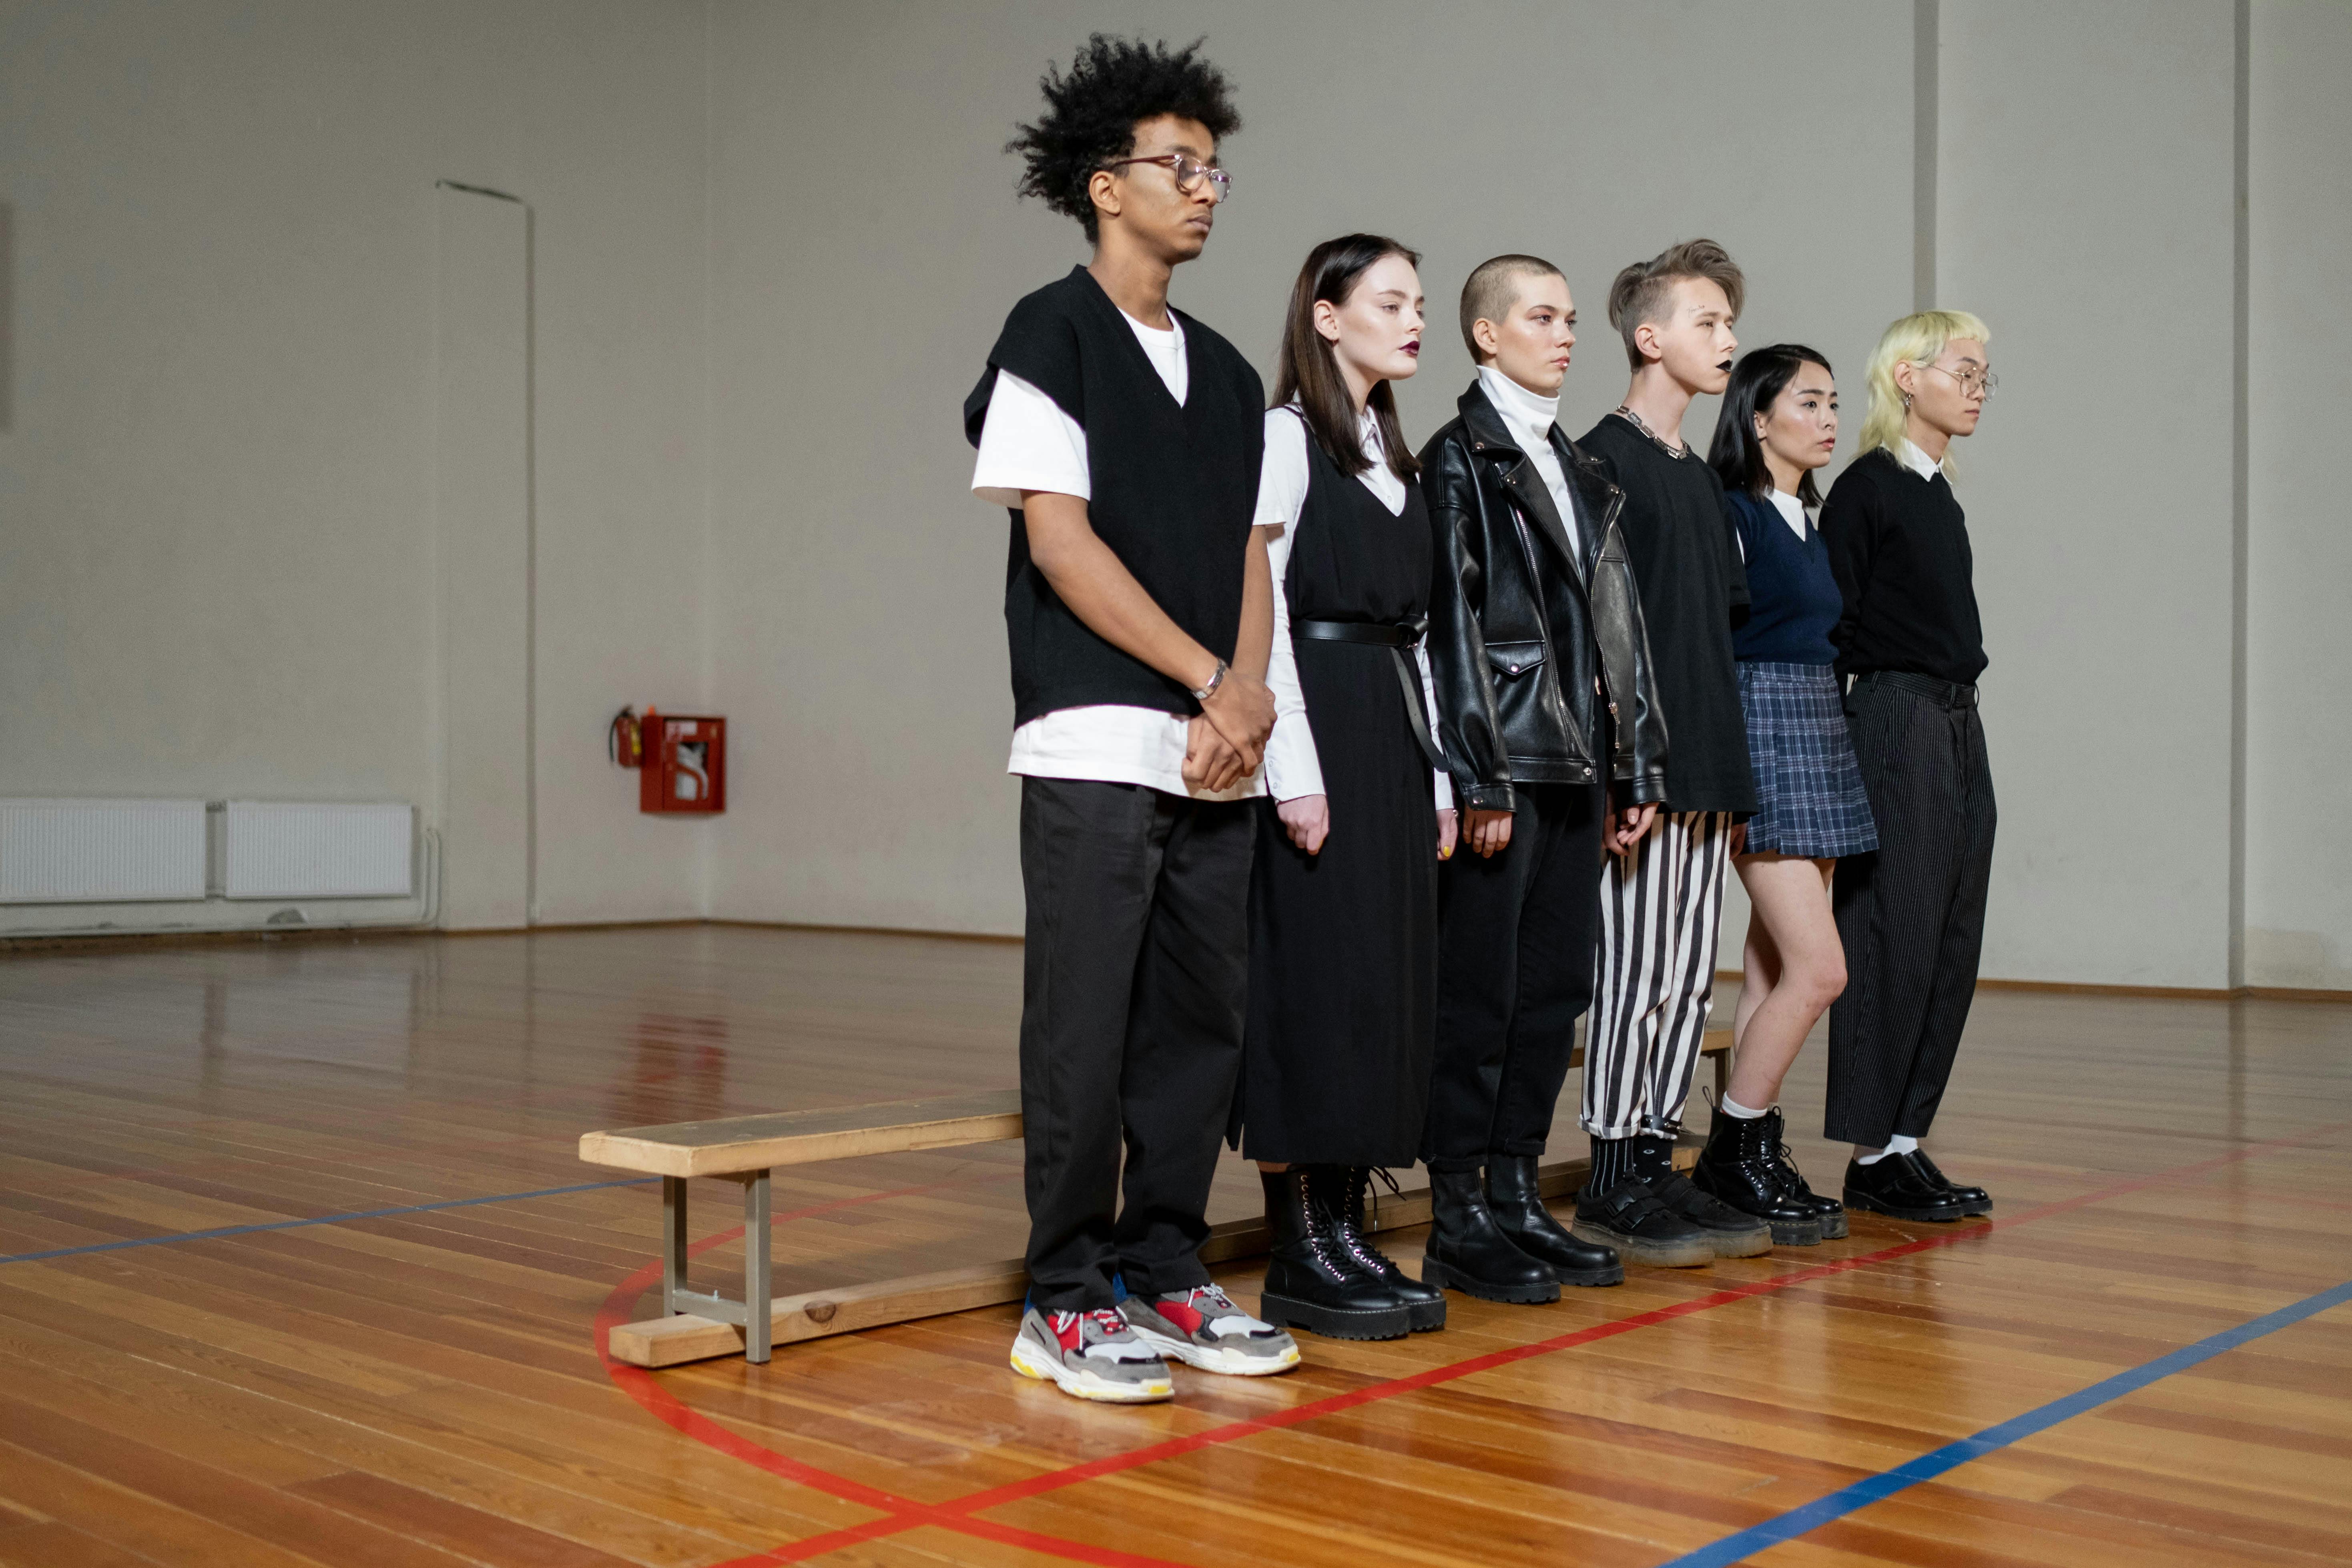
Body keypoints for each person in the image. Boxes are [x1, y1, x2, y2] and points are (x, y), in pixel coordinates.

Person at [963, 35, 1298, 1403]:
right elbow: (1061, 544)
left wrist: (1249, 695)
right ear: (1106, 186)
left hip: (1216, 746)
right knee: (1085, 1022)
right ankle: (1058, 1294)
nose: (1206, 188)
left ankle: (1161, 1266)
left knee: (1193, 1025)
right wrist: (1205, 679)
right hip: (1096, 734)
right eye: (1179, 166)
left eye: (1215, 168)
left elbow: (1250, 557)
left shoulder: (1225, 374)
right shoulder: (1046, 333)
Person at [1417, 255, 1668, 1302]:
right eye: (1539, 317)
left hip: (1576, 771)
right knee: (1479, 995)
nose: (1564, 334)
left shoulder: (1581, 469)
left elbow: (1619, 633)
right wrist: (1478, 775)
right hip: (1507, 766)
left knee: (1552, 990)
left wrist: (1637, 759)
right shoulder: (1456, 458)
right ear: (1485, 333)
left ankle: (1517, 1192)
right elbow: (1452, 631)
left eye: (1570, 318)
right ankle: (1457, 1214)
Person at [1239, 235, 1453, 1341]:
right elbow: (1260, 609)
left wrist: (1442, 779)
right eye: (1389, 300)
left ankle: (1343, 1222)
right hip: (1317, 727)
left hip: (1392, 738)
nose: (1412, 318)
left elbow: (1412, 635)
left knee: (1377, 983)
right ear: (1326, 317)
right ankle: (1297, 1246)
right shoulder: (1283, 439)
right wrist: (1293, 770)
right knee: (1312, 990)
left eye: (1418, 301)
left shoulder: (1391, 454)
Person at [1575, 240, 1773, 1267]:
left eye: (1729, 324)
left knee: (1692, 980)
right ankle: (1612, 1173)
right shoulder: (1597, 463)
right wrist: (1623, 770)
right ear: (1650, 338)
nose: (1727, 340)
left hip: (1705, 767)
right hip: (1642, 775)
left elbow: (1713, 638)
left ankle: (1656, 1154)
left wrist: (1729, 775)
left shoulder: (1699, 481)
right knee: (1636, 972)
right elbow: (1593, 643)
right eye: (1707, 322)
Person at [1692, 345, 1876, 1246]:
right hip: (1761, 729)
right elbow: (1710, 644)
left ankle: (1750, 1148)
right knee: (1821, 969)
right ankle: (1735, 1146)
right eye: (1809, 402)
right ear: (1758, 418)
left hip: (1816, 722)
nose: (1829, 417)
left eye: (1835, 402)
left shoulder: (1805, 514)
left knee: (1772, 971)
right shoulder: (1733, 513)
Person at [1818, 310, 1999, 1224]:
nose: (1976, 387)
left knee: (1951, 936)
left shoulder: (1939, 495)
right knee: (1891, 932)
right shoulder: (1867, 489)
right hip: (1894, 720)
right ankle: (1867, 1150)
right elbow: (1832, 630)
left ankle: (1901, 1143)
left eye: (1982, 375)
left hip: (1957, 724)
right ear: (1905, 379)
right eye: (1962, 369)